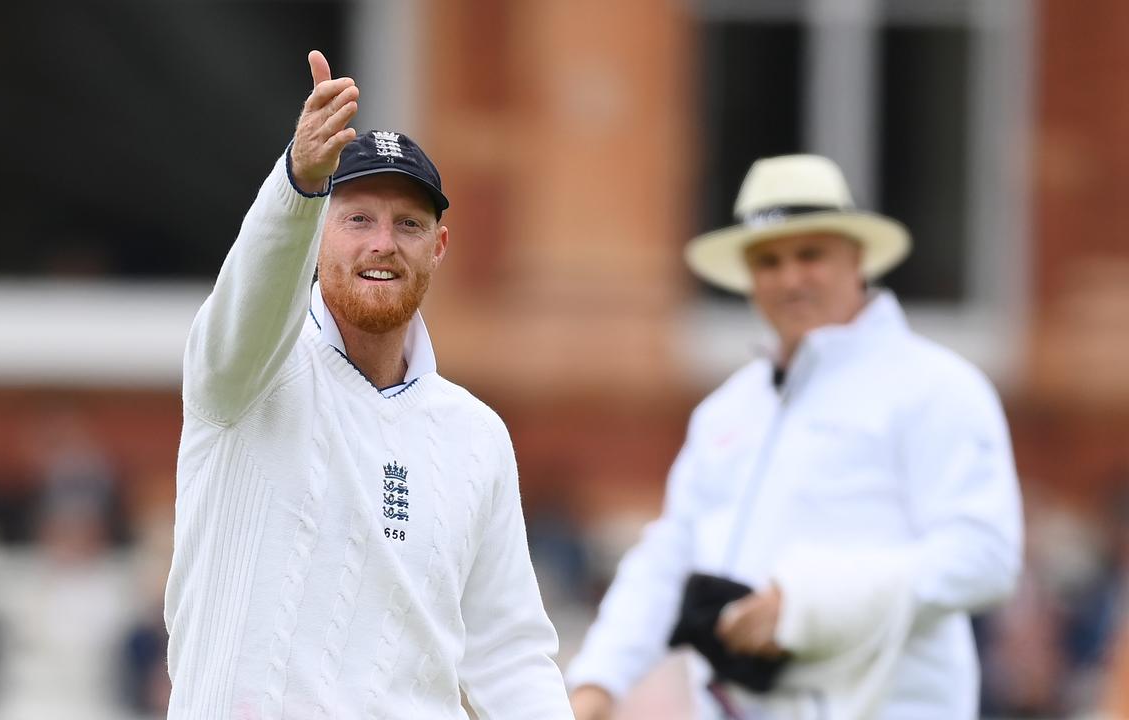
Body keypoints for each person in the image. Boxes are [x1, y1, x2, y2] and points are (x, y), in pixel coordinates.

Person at [163, 50, 572, 719]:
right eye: (357, 220)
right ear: (316, 237)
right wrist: (298, 183)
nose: (383, 243)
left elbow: (508, 652)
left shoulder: (476, 435)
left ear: (438, 247)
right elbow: (252, 298)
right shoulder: (241, 378)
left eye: (408, 224)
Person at [566, 154, 1023, 719]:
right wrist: (595, 686)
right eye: (768, 261)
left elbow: (983, 557)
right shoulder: (728, 409)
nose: (790, 278)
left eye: (810, 255)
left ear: (857, 258)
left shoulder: (937, 387)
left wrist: (804, 606)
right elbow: (669, 557)